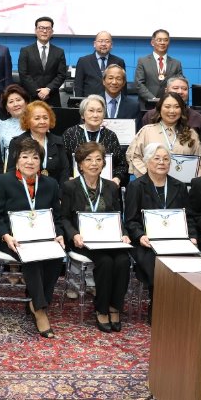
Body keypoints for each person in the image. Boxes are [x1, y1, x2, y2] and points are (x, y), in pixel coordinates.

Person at [0, 138, 66, 338]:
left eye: (35, 157)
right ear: (17, 159)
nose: (30, 161)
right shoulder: (3, 181)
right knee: (31, 259)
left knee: (57, 257)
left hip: (43, 237)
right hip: (12, 239)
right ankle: (40, 310)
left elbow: (57, 217)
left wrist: (59, 235)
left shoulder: (50, 184)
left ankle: (36, 301)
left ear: (41, 161)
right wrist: (6, 236)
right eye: (25, 157)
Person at [59, 142, 132, 332]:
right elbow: (64, 218)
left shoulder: (110, 187)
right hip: (83, 240)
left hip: (109, 238)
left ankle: (115, 306)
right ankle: (101, 309)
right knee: (106, 262)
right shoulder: (69, 186)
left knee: (123, 261)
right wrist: (74, 234)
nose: (94, 164)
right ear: (80, 164)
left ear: (104, 164)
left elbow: (118, 217)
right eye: (88, 160)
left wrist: (123, 234)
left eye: (98, 159)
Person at [124, 143, 196, 293]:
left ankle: (184, 307)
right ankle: (159, 307)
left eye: (166, 159)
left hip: (176, 240)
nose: (162, 163)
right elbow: (130, 220)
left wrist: (193, 236)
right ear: (147, 161)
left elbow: (188, 217)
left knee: (191, 267)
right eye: (157, 158)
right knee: (156, 266)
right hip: (148, 242)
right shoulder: (136, 187)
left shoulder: (179, 186)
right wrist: (140, 235)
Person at [126, 93, 201, 178]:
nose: (172, 111)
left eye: (176, 107)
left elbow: (200, 162)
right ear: (159, 109)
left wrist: (194, 178)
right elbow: (134, 157)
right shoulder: (146, 131)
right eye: (167, 107)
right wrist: (148, 176)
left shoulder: (191, 134)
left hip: (183, 187)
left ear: (182, 110)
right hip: (151, 187)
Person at [62, 95, 128, 186]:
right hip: (76, 187)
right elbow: (63, 163)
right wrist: (69, 178)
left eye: (99, 111)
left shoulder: (110, 135)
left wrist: (116, 178)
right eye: (91, 111)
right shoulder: (70, 133)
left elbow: (121, 165)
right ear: (82, 114)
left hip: (105, 187)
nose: (95, 115)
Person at [6, 100, 69, 183]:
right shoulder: (17, 142)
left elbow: (64, 171)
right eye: (37, 118)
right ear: (27, 120)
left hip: (54, 191)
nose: (42, 122)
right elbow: (12, 172)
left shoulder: (59, 142)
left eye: (45, 118)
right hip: (25, 191)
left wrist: (61, 194)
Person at [17, 16, 67, 104]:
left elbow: (61, 75)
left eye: (48, 28)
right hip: (31, 97)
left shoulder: (59, 52)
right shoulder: (25, 51)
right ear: (35, 30)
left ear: (52, 32)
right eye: (41, 28)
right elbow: (23, 74)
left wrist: (48, 89)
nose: (44, 31)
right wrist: (38, 92)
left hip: (52, 97)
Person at [134, 29, 184, 110]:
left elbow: (179, 85)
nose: (162, 43)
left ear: (169, 43)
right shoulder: (143, 61)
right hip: (147, 105)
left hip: (169, 106)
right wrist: (153, 99)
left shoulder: (176, 63)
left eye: (165, 40)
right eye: (159, 40)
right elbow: (139, 84)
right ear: (152, 42)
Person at [73, 31, 125, 98]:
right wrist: (79, 103)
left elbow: (123, 87)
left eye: (107, 41)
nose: (103, 44)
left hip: (112, 103)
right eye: (100, 41)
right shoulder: (83, 61)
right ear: (94, 44)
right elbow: (78, 86)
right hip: (90, 103)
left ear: (111, 45)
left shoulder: (119, 62)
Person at [0, 84, 29, 171]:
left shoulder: (37, 122)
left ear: (26, 102)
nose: (15, 104)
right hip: (10, 172)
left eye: (18, 100)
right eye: (11, 102)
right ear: (7, 108)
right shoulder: (2, 125)